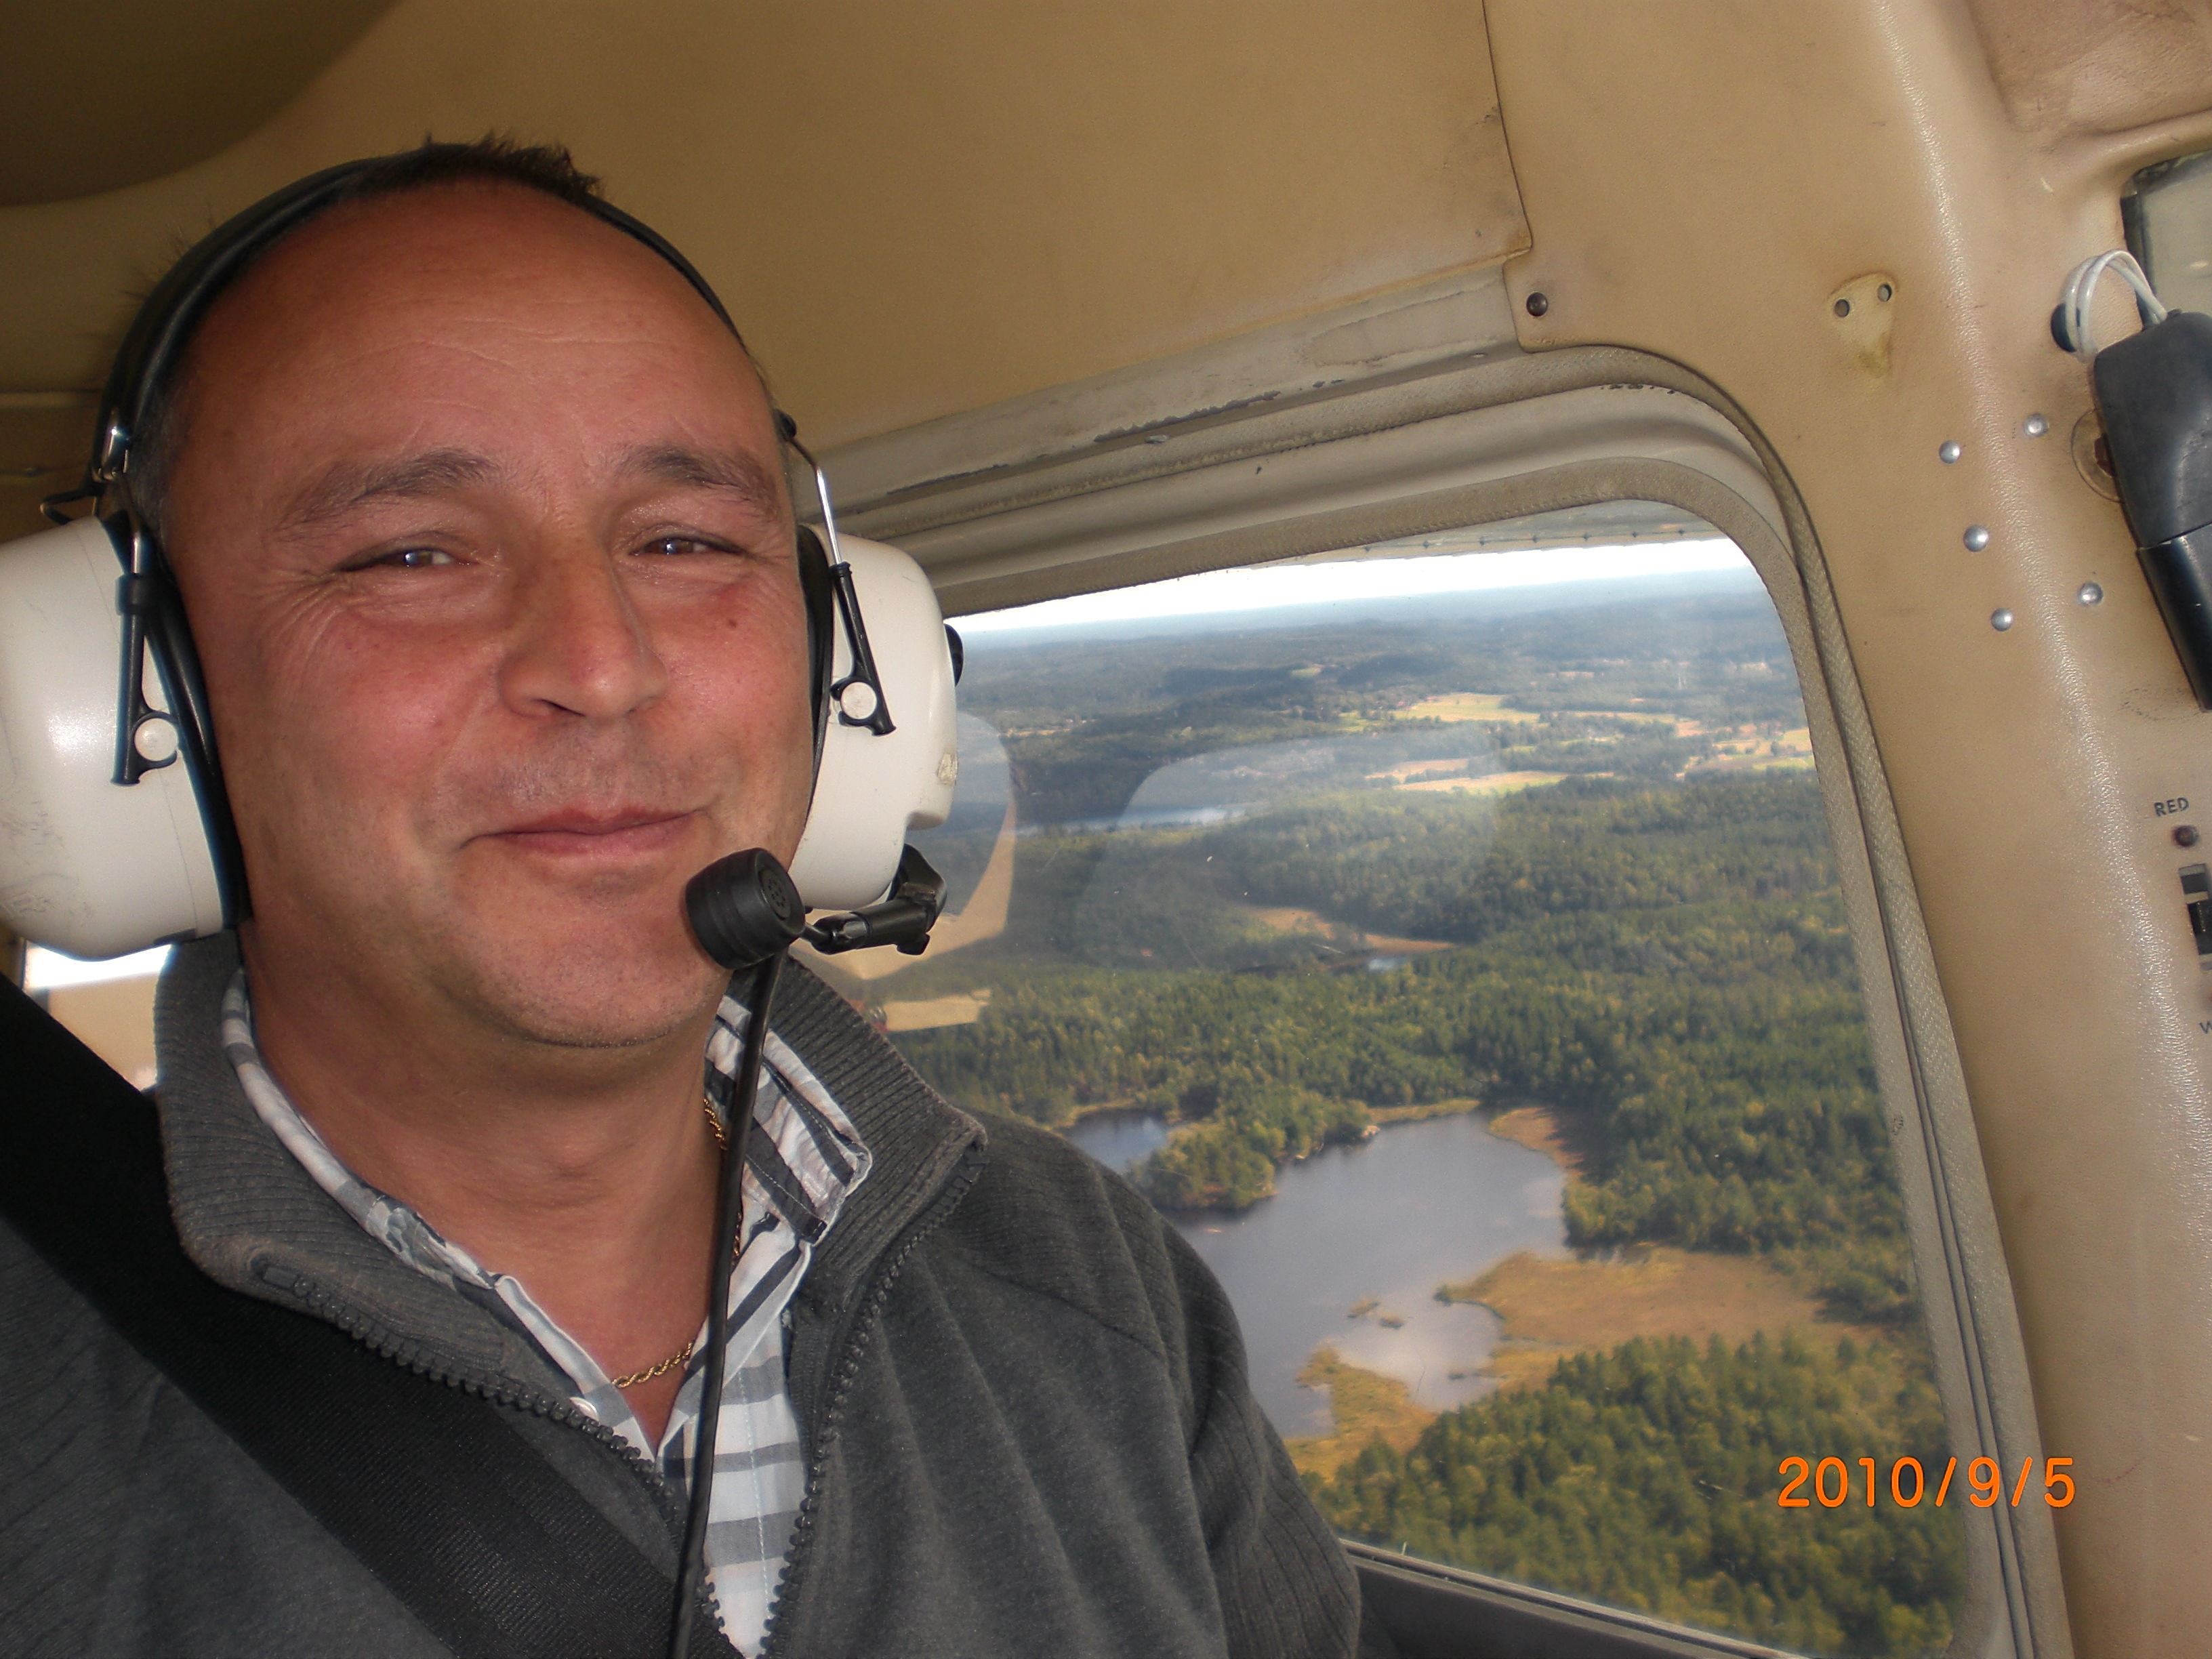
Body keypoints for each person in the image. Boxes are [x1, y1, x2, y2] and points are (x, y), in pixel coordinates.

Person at [0, 140, 1392, 1658]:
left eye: (685, 541)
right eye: (407, 553)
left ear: (839, 662)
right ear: (146, 697)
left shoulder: (1085, 1275)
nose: (601, 666)